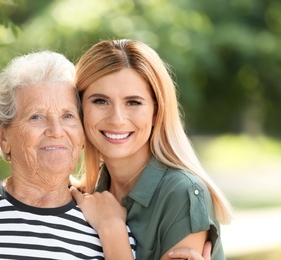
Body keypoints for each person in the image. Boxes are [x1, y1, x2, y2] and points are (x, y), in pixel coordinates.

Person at [0, 49, 211, 260]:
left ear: (83, 132)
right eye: (36, 117)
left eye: (68, 116)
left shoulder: (113, 231)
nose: (56, 130)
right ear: (3, 136)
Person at [70, 39, 232, 260]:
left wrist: (112, 229)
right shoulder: (81, 194)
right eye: (100, 101)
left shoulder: (182, 194)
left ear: (157, 112)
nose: (117, 119)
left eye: (133, 102)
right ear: (80, 109)